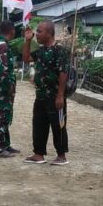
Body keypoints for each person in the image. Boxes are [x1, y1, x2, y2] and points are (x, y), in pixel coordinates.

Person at [22, 20, 69, 165]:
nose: (36, 34)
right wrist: (27, 41)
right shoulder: (41, 51)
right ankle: (39, 154)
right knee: (38, 124)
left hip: (54, 96)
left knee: (58, 125)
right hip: (41, 95)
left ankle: (61, 155)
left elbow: (63, 72)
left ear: (49, 33)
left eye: (40, 31)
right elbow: (26, 58)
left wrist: (60, 95)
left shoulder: (59, 50)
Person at [0, 20, 19, 158]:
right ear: (12, 31)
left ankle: (5, 144)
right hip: (4, 88)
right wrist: (8, 88)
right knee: (2, 117)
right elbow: (4, 70)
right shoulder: (3, 46)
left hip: (2, 87)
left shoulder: (0, 44)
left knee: (5, 115)